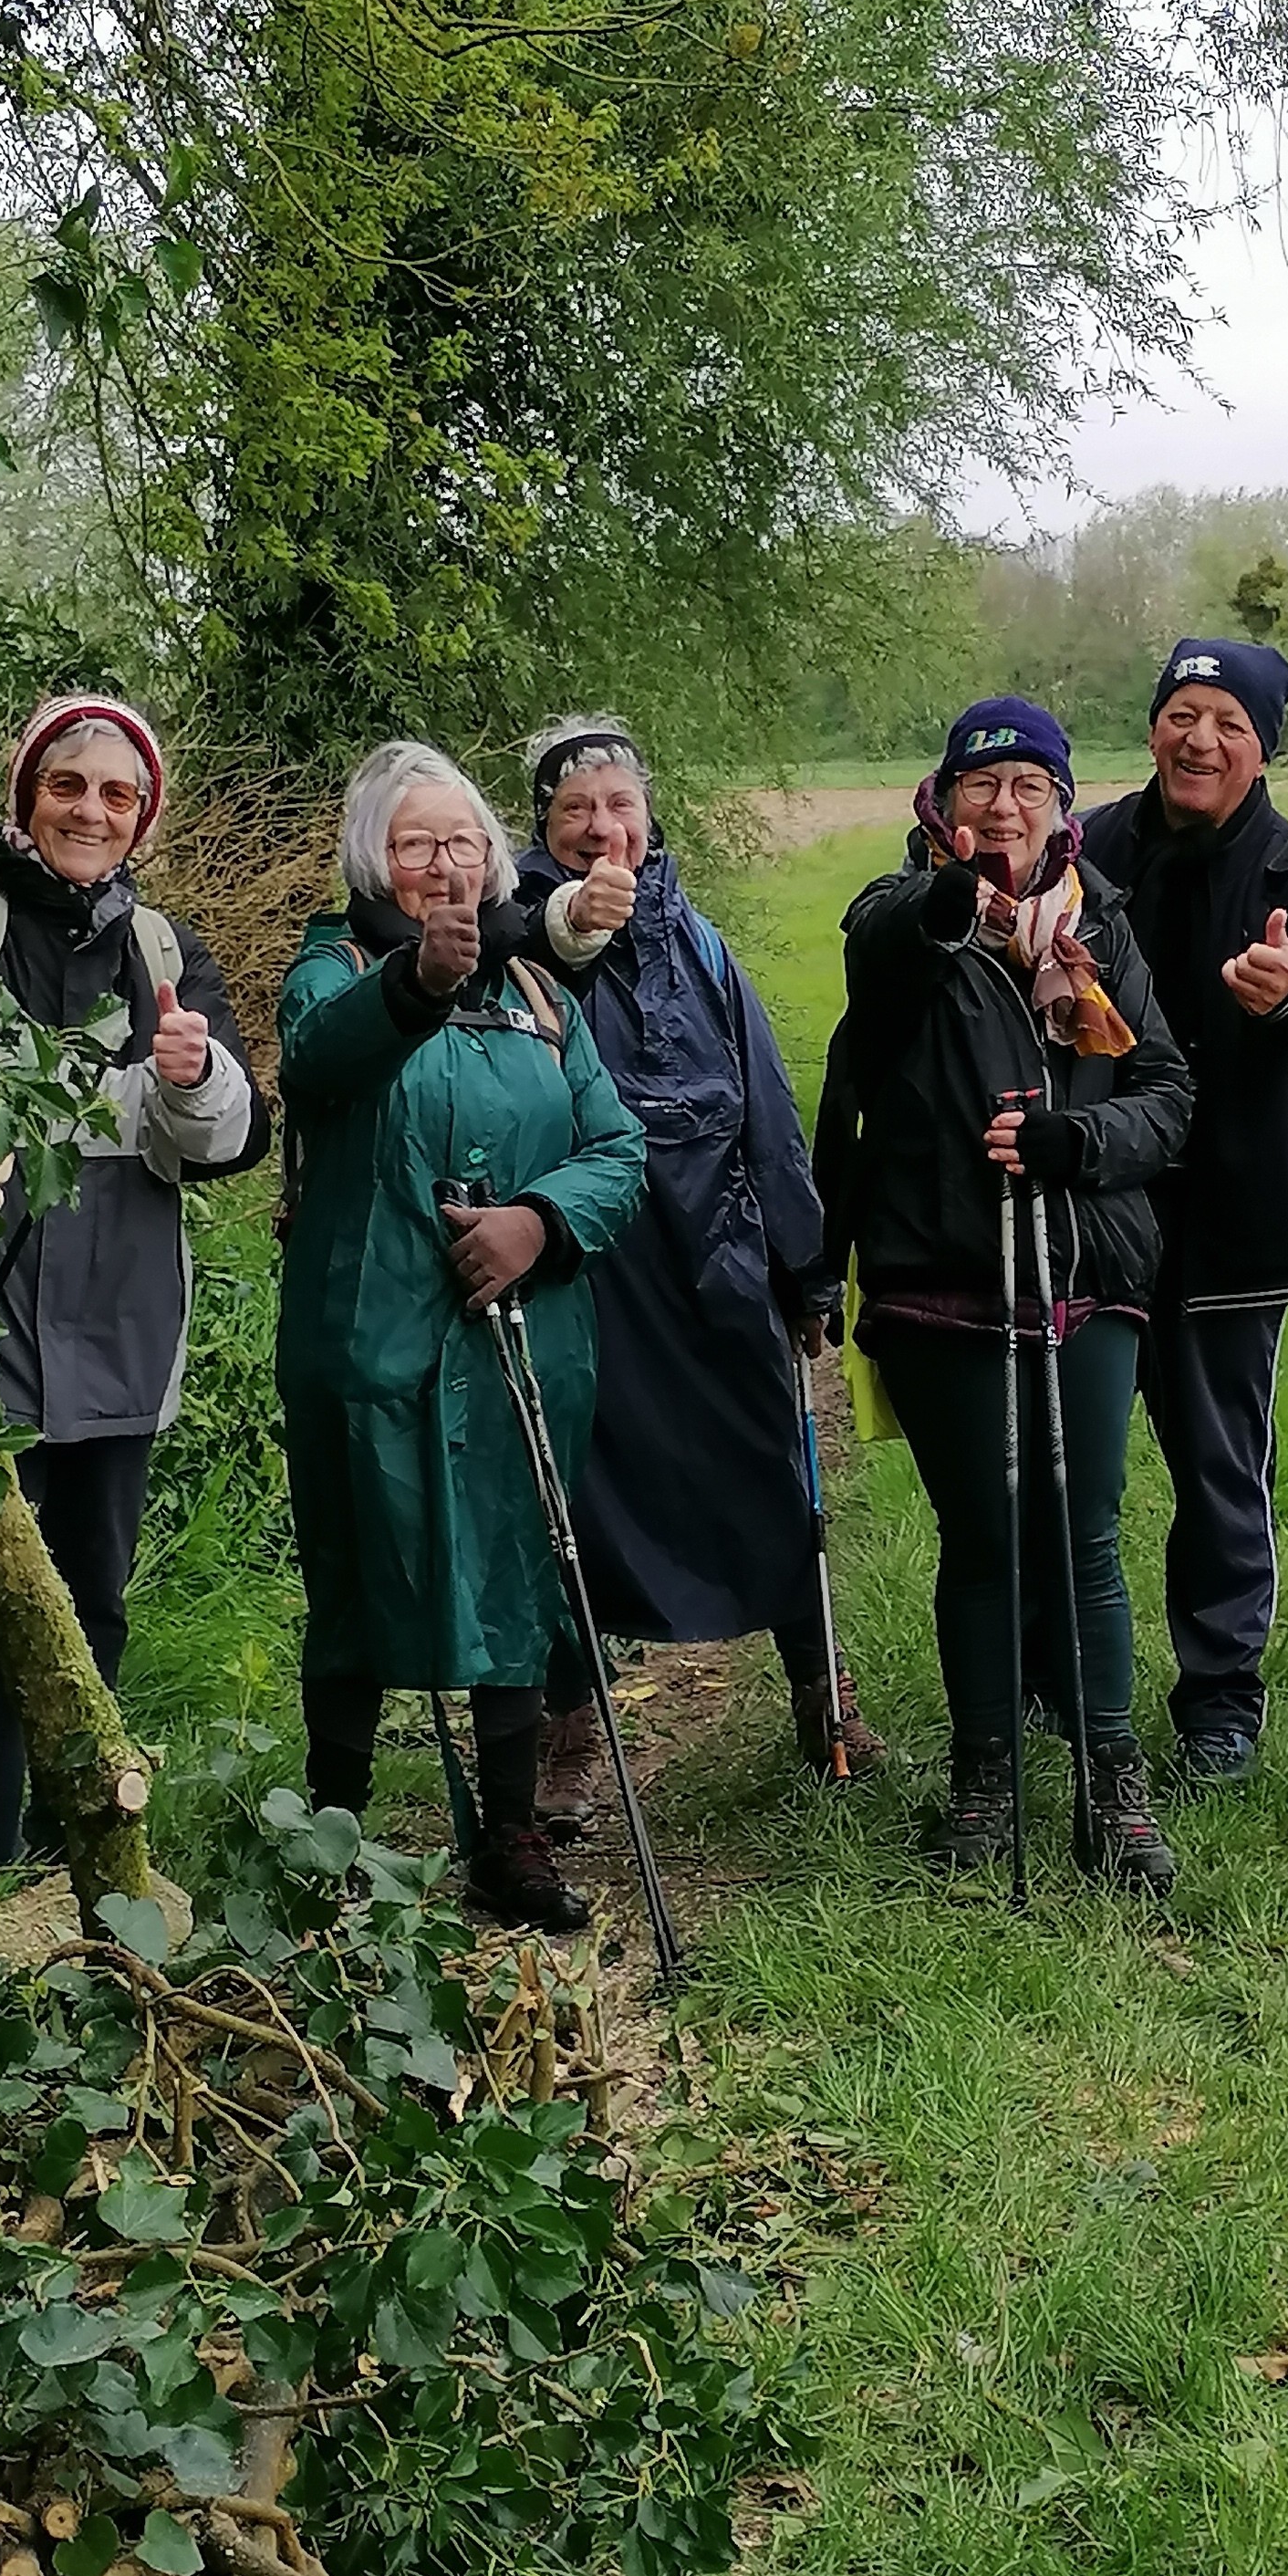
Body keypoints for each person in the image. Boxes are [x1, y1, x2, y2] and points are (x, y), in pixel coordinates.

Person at [275, 740, 649, 1929]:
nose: (443, 862)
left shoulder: (543, 994)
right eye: (414, 842)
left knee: (512, 1566)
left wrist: (541, 1223)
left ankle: (509, 1838)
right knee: (356, 1577)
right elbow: (322, 1062)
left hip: (525, 1342)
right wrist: (418, 986)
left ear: (495, 861)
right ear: (371, 861)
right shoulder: (329, 972)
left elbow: (619, 1149)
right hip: (370, 1336)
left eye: (463, 841)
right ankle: (328, 1838)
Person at [822, 696, 1193, 1886]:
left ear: (1062, 808)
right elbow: (886, 956)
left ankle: (1112, 1787)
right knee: (981, 1540)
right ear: (941, 804)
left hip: (1085, 1270)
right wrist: (957, 890)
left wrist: (1075, 1145)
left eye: (1030, 786)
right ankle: (984, 1783)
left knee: (1085, 1538)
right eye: (981, 786)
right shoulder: (902, 915)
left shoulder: (1100, 930)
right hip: (941, 1272)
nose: (1004, 806)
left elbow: (1166, 1096)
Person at [513, 717, 884, 1816]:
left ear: (649, 815)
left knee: (771, 1468)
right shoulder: (515, 941)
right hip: (586, 1269)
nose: (599, 827)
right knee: (568, 1498)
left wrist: (807, 1265)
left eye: (618, 805)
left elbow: (765, 1101)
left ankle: (824, 1699)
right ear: (544, 827)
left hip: (715, 1254)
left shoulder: (701, 941)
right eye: (574, 811)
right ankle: (571, 1732)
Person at [0, 694, 269, 1872]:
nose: (90, 808)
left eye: (116, 794)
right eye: (67, 784)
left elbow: (234, 1139)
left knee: (93, 1598)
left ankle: (78, 1838)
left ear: (142, 820)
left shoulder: (164, 955)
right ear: (26, 795)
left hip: (124, 1329)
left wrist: (195, 1072)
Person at [1077, 639, 1288, 1787]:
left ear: (1261, 749)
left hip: (1235, 1228)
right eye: (1181, 714)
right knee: (1075, 1461)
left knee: (1216, 1468)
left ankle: (1219, 1697)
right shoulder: (1090, 848)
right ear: (1154, 724)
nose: (1199, 740)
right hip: (1096, 1213)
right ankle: (1067, 1678)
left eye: (1228, 724)